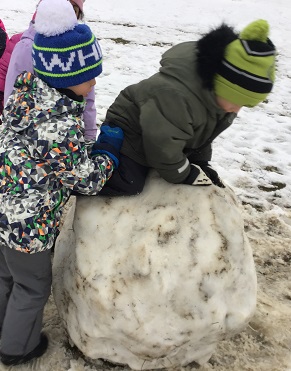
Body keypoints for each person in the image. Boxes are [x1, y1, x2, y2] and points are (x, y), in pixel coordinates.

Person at [0, 0, 123, 366]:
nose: (95, 81)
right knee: (33, 286)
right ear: (68, 79)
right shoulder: (57, 127)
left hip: (5, 212)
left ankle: (4, 328)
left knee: (6, 277)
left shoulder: (26, 93)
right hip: (29, 228)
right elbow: (85, 179)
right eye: (90, 76)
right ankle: (16, 348)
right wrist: (106, 153)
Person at [97, 19, 276, 197]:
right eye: (235, 102)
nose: (236, 110)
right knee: (128, 182)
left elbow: (204, 132)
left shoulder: (219, 101)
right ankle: (80, 180)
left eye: (243, 105)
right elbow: (162, 146)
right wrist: (184, 173)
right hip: (130, 130)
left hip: (164, 130)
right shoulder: (176, 96)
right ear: (219, 85)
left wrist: (201, 162)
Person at [3, 0, 98, 140]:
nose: (65, 12)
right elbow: (13, 101)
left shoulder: (77, 50)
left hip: (73, 135)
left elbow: (87, 99)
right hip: (35, 141)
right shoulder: (27, 47)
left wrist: (90, 135)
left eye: (73, 8)